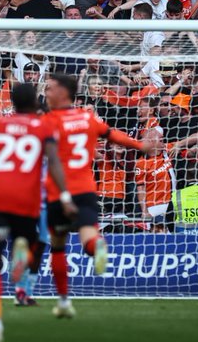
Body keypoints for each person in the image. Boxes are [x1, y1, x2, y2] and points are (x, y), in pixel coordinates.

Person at [0, 82, 75, 342]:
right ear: (35, 103)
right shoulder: (43, 128)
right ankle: (22, 253)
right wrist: (64, 196)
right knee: (36, 244)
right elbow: (56, 163)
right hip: (27, 202)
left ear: (12, 102)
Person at [43, 72, 152, 318]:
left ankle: (62, 302)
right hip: (87, 189)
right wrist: (140, 146)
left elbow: (49, 158)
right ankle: (98, 246)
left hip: (60, 191)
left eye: (51, 89)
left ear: (63, 93)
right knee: (89, 238)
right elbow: (113, 135)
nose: (47, 93)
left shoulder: (50, 121)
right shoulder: (87, 118)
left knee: (58, 246)